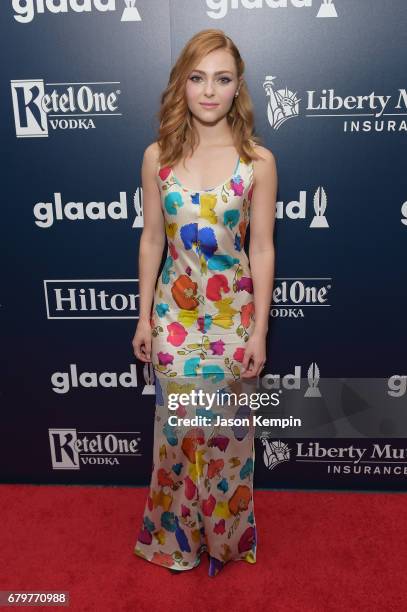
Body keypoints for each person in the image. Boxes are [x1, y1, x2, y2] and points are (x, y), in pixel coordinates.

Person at [132, 28, 277, 577]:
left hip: (234, 323)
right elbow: (151, 239)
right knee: (176, 441)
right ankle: (175, 542)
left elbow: (262, 247)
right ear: (182, 85)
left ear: (237, 87)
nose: (209, 91)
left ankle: (225, 541)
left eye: (221, 78)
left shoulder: (257, 161)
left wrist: (260, 331)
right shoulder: (157, 157)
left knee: (229, 440)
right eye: (197, 78)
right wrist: (144, 316)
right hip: (173, 321)